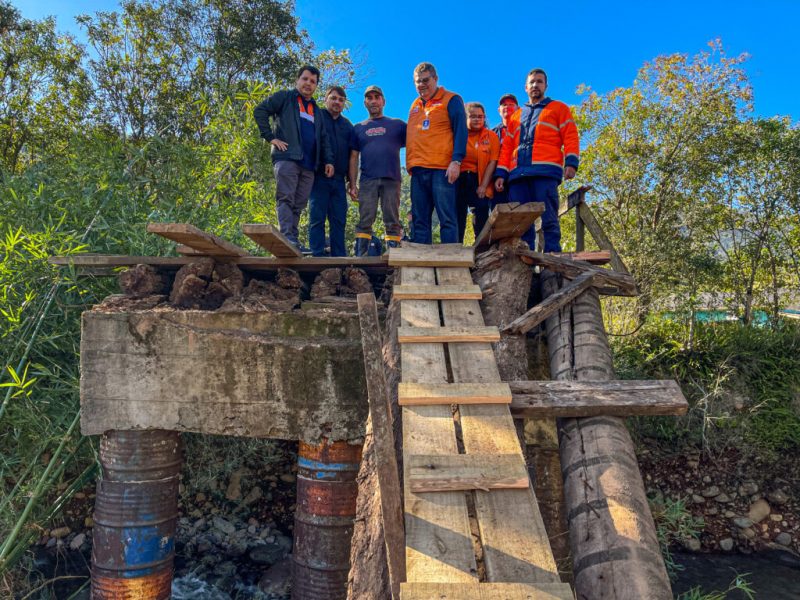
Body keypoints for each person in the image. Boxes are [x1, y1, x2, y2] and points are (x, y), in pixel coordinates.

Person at [495, 69, 579, 252]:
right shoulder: (516, 116)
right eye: (532, 82)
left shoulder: (558, 108)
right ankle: (525, 264)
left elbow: (571, 136)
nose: (535, 85)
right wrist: (501, 173)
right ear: (526, 87)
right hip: (518, 176)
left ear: (545, 86)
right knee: (521, 224)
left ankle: (552, 262)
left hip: (545, 172)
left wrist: (571, 162)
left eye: (539, 82)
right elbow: (507, 147)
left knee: (549, 219)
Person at [253, 65, 334, 250]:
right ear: (297, 80)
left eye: (313, 81)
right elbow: (260, 111)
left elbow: (323, 138)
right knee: (286, 198)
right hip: (287, 158)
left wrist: (328, 160)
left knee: (299, 204)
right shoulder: (285, 98)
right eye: (305, 79)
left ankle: (293, 240)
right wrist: (270, 138)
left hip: (309, 164)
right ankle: (286, 236)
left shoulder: (317, 110)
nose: (308, 83)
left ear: (316, 86)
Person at [406, 62, 467, 244]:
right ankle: (421, 264)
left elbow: (461, 131)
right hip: (418, 170)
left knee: (446, 217)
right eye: (418, 82)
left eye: (426, 80)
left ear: (435, 79)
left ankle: (450, 262)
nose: (422, 85)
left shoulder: (451, 99)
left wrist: (456, 161)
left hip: (442, 169)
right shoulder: (415, 105)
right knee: (419, 219)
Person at [348, 85, 407, 256]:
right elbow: (353, 157)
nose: (373, 101)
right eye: (369, 98)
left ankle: (394, 260)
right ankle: (360, 259)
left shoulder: (397, 125)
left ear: (383, 101)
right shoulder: (358, 127)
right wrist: (352, 184)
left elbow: (416, 143)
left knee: (392, 219)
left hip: (392, 179)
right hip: (367, 180)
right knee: (365, 219)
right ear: (365, 103)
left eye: (377, 97)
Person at [308, 86, 353, 256]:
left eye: (341, 100)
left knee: (339, 220)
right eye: (333, 98)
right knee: (317, 218)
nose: (337, 102)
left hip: (339, 180)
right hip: (318, 177)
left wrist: (351, 181)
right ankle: (316, 254)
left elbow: (352, 155)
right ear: (326, 99)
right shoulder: (316, 117)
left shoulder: (348, 126)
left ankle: (339, 257)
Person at [455, 102, 500, 242]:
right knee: (458, 215)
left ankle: (481, 249)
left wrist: (483, 186)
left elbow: (492, 161)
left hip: (479, 178)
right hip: (459, 178)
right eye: (473, 116)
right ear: (466, 117)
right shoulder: (457, 134)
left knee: (481, 214)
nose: (477, 119)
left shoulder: (491, 136)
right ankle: (456, 250)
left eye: (480, 116)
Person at [491, 93, 518, 205]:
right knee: (500, 216)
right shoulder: (492, 134)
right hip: (498, 180)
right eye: (504, 105)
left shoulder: (525, 130)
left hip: (518, 177)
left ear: (518, 108)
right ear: (499, 110)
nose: (507, 107)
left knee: (523, 214)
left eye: (511, 104)